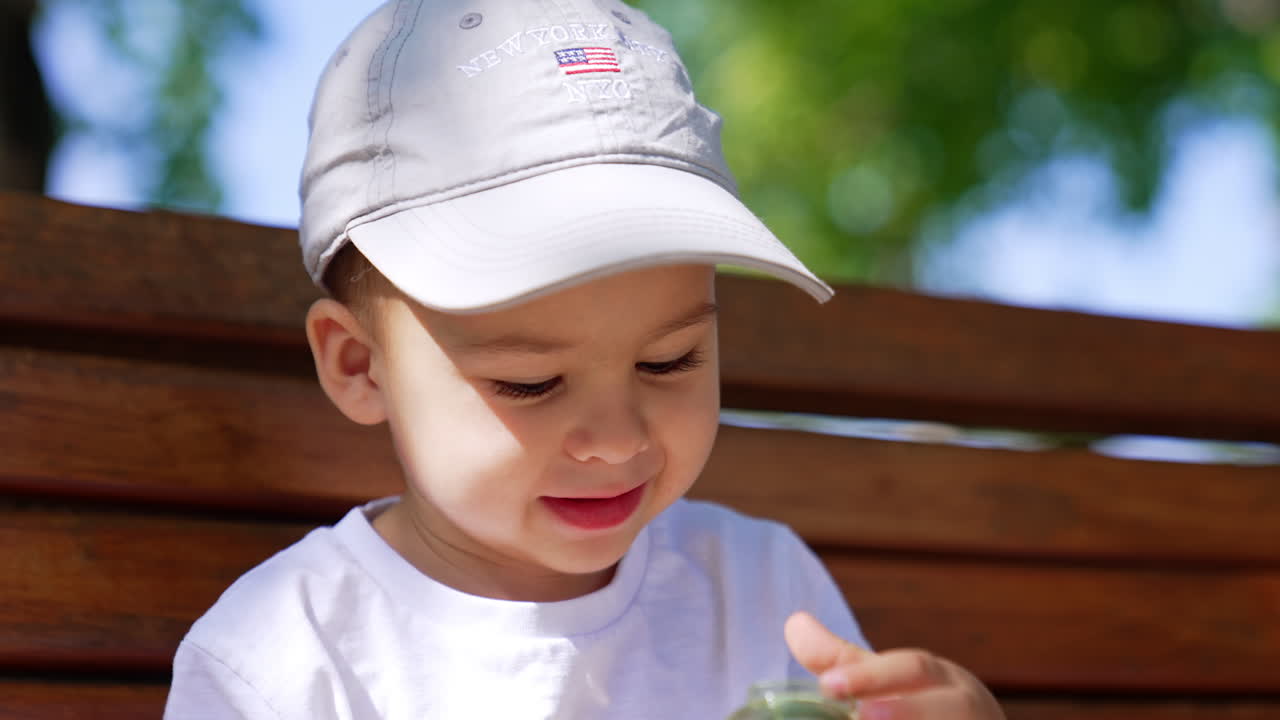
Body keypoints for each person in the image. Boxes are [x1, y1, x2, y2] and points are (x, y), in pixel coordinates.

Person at [164, 1, 1005, 718]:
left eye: (670, 360)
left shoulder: (759, 590)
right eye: (529, 381)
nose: (614, 439)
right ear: (359, 365)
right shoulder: (284, 665)